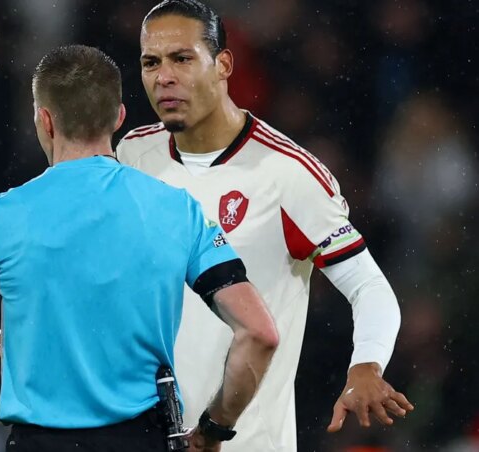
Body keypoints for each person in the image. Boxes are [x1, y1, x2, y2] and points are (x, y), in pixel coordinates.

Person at [0, 44, 279, 452]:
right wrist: (213, 430)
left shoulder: (2, 217)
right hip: (142, 441)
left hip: (40, 445)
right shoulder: (178, 211)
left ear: (45, 120)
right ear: (119, 117)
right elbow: (259, 332)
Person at [116, 1, 412, 450]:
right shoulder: (133, 156)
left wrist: (366, 365)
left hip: (246, 442)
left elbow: (369, 286)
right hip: (148, 438)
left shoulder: (287, 175)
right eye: (151, 62)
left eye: (182, 58)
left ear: (223, 64)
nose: (164, 77)